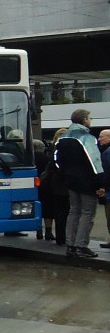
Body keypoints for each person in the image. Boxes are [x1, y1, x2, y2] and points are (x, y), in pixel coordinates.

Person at [54, 109, 105, 258]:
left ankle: (70, 245)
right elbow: (95, 162)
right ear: (84, 120)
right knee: (87, 213)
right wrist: (99, 184)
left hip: (70, 181)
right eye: (89, 118)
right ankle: (81, 245)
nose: (90, 120)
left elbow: (57, 160)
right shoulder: (87, 138)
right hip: (87, 181)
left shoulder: (62, 138)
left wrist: (65, 175)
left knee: (73, 211)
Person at [37, 139, 68, 246]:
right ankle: (49, 232)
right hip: (52, 188)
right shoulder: (47, 158)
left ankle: (38, 230)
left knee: (41, 209)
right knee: (52, 210)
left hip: (41, 186)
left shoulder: (28, 158)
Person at [99, 129, 110, 249]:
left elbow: (106, 173)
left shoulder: (107, 153)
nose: (99, 139)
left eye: (102, 137)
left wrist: (103, 187)